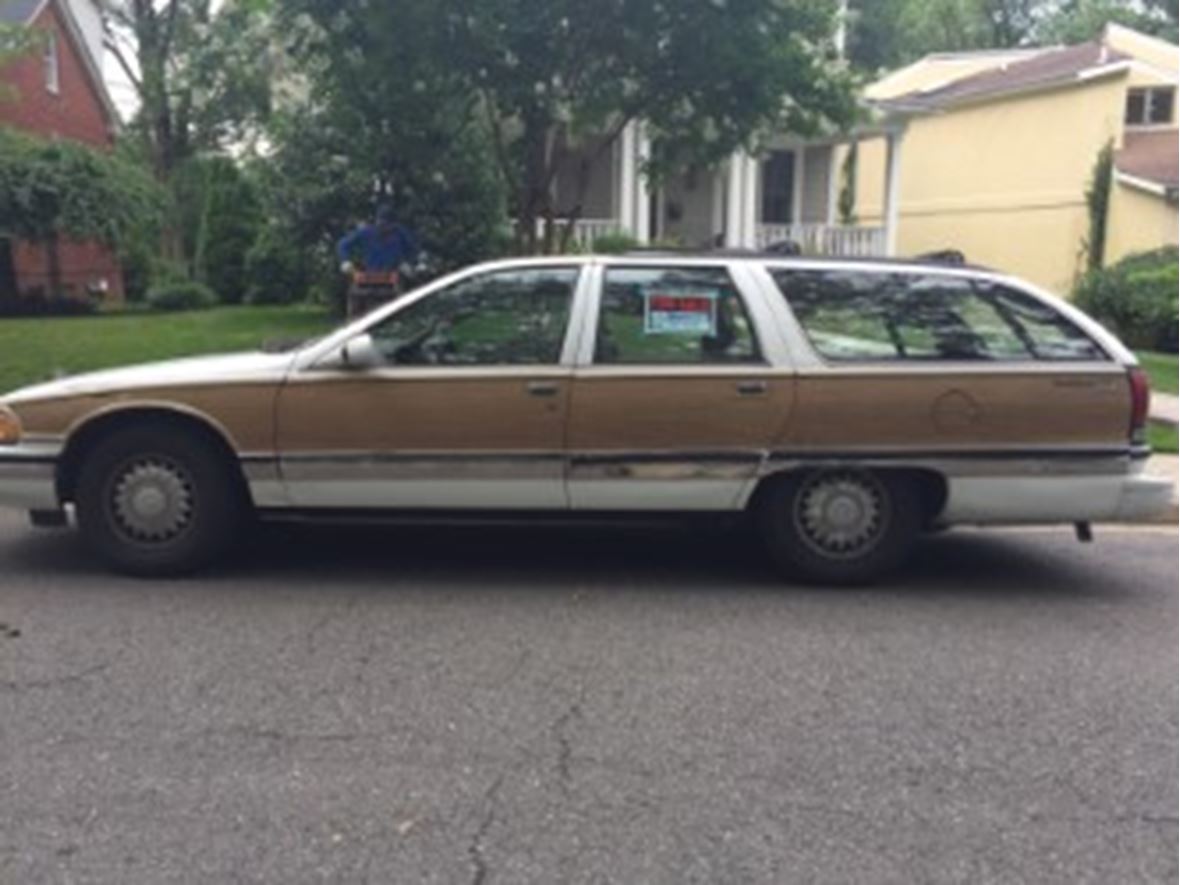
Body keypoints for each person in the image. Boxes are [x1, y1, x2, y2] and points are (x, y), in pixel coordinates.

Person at [337, 204, 419, 317]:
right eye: (381, 223)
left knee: (407, 294)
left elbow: (414, 249)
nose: (383, 227)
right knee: (356, 296)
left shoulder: (400, 234)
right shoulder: (366, 232)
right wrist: (345, 261)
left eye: (387, 225)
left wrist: (408, 263)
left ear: (394, 224)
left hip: (393, 276)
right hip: (368, 276)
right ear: (377, 221)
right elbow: (343, 244)